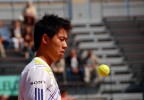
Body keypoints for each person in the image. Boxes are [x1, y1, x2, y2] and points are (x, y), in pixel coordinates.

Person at [18, 14, 71, 100]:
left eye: (65, 40)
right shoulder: (38, 70)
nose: (65, 45)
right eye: (61, 39)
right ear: (45, 39)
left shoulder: (41, 69)